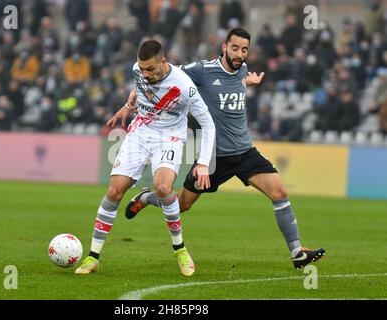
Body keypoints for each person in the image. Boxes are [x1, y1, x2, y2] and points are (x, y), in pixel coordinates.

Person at [124, 28, 325, 270]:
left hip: (244, 152)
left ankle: (296, 252)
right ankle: (146, 197)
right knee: (181, 204)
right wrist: (138, 91)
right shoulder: (202, 70)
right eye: (235, 48)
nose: (240, 54)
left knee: (279, 192)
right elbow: (164, 75)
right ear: (224, 47)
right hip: (214, 158)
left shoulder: (241, 71)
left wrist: (245, 82)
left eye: (244, 49)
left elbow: (231, 88)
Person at [75, 40, 216, 276]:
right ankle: (93, 257)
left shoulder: (184, 86)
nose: (145, 73)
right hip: (140, 132)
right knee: (114, 191)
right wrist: (127, 107)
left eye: (150, 69)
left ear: (164, 62)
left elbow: (208, 124)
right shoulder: (138, 70)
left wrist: (202, 163)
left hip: (169, 137)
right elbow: (142, 91)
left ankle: (179, 249)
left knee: (163, 187)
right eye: (142, 69)